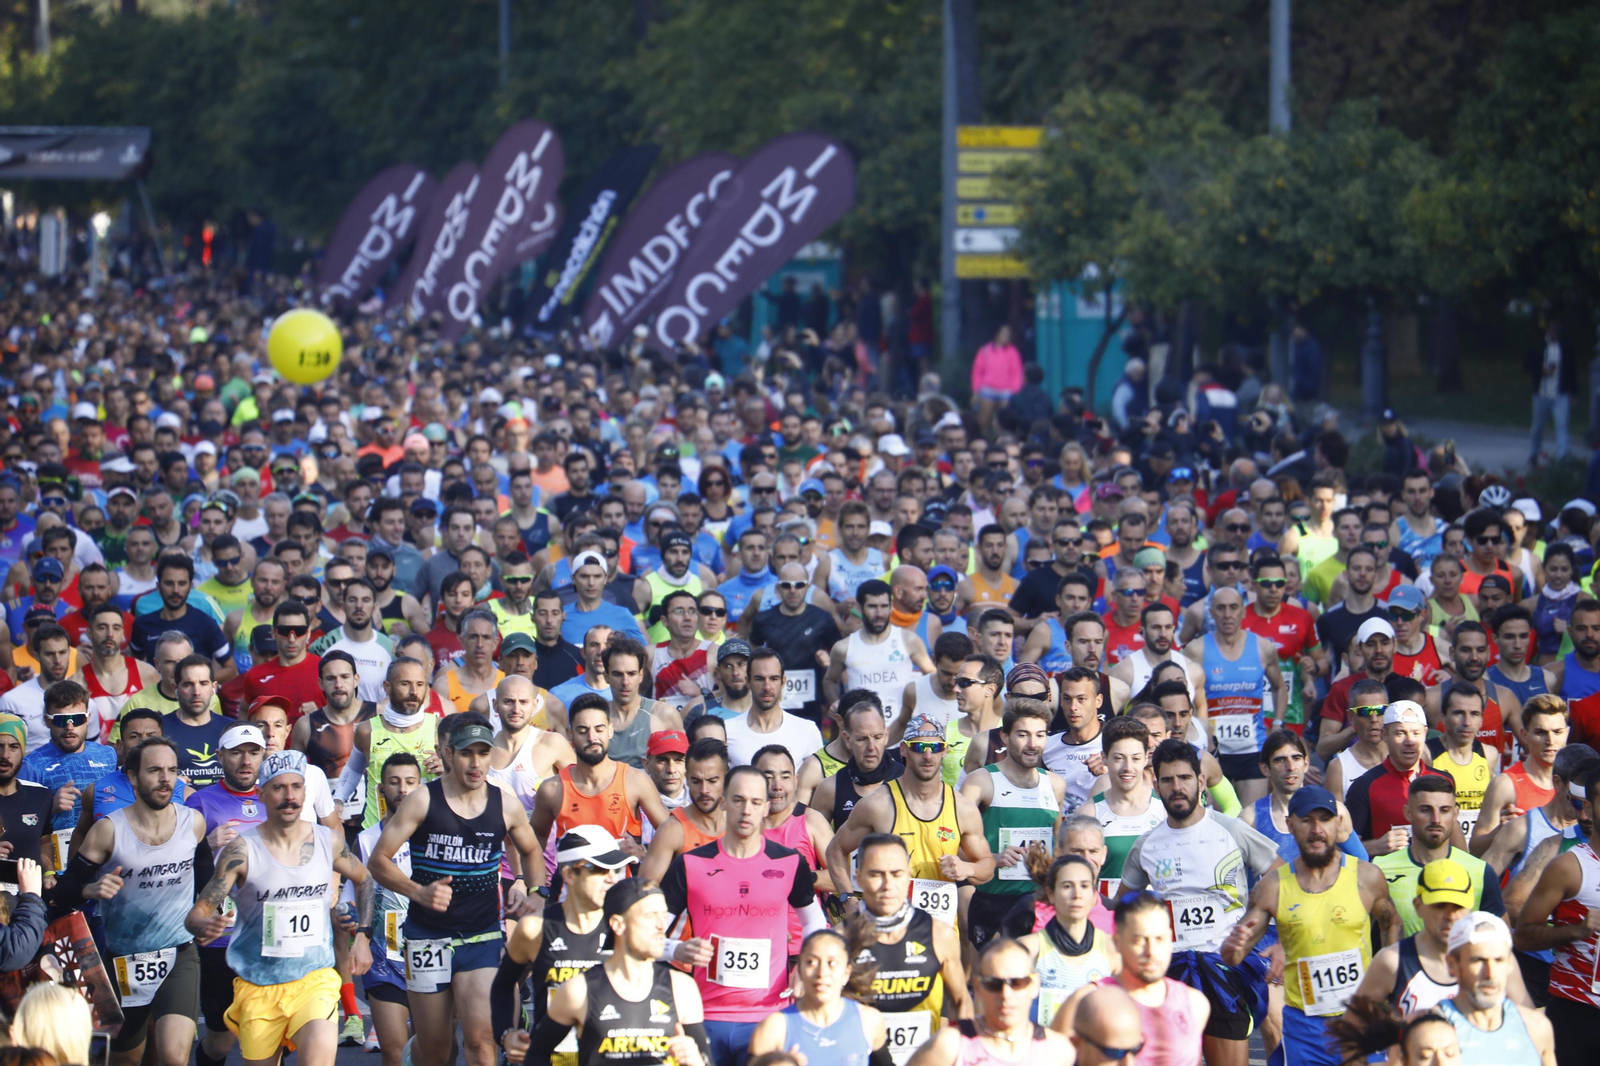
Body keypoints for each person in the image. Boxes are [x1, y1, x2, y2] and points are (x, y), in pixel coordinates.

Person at [367, 711, 546, 1066]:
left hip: (482, 937)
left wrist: (534, 890)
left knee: (482, 1042)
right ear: (449, 754)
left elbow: (530, 849)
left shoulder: (504, 803)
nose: (476, 763)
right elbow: (379, 860)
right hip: (427, 938)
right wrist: (418, 892)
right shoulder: (422, 800)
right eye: (467, 753)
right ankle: (414, 1053)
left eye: (483, 753)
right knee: (437, 1050)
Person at [185, 749, 374, 1066]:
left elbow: (364, 878)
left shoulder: (327, 841)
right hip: (258, 985)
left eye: (296, 787)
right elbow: (198, 912)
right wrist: (201, 925)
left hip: (314, 979)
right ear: (261, 794)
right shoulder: (241, 850)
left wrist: (364, 936)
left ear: (305, 791)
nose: (290, 797)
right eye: (279, 788)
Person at [1119, 739, 1281, 1066]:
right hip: (1170, 972)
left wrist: (1260, 926)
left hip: (1225, 969)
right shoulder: (1146, 845)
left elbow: (1282, 880)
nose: (1177, 787)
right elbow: (1122, 909)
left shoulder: (1231, 830)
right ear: (1156, 786)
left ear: (1201, 781)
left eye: (1185, 778)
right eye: (1168, 780)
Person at [659, 765, 827, 1066]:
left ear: (766, 808)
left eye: (755, 802)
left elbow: (814, 920)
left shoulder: (789, 862)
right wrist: (677, 949)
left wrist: (806, 964)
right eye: (738, 800)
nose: (746, 810)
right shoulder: (690, 864)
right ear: (723, 802)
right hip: (704, 1014)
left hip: (769, 1015)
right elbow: (647, 935)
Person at [1220, 784, 1397, 1066]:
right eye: (1306, 820)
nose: (1317, 830)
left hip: (1361, 1021)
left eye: (1325, 819)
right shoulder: (1272, 887)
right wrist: (1232, 947)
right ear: (1290, 825)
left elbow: (1391, 923)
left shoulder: (1367, 877)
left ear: (1338, 823)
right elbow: (1234, 955)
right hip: (1305, 1030)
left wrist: (1389, 984)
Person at [64, 733, 206, 1066]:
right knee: (125, 1060)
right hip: (123, 960)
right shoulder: (109, 830)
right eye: (155, 770)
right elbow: (64, 890)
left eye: (172, 770)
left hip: (179, 955)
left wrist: (205, 913)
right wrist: (90, 890)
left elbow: (207, 877)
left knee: (174, 1057)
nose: (166, 778)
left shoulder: (193, 823)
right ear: (132, 776)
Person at [826, 714, 996, 932]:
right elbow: (836, 849)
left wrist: (967, 868)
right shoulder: (879, 804)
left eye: (935, 747)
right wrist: (848, 899)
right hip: (889, 929)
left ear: (945, 751)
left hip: (940, 932)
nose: (928, 755)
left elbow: (987, 865)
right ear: (904, 750)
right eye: (919, 747)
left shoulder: (963, 808)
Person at [529, 877, 710, 1066]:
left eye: (663, 916)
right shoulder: (579, 990)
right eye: (650, 915)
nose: (661, 926)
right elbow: (536, 1056)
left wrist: (696, 1062)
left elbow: (706, 1061)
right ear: (617, 924)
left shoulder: (682, 988)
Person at [492, 825, 632, 1066]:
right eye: (600, 869)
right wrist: (506, 1035)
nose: (612, 878)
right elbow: (503, 986)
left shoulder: (627, 927)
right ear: (569, 875)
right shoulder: (535, 928)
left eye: (617, 869)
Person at [1050, 890, 1208, 1066]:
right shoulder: (1084, 1002)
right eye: (1139, 940)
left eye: (1160, 939)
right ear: (1117, 942)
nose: (1151, 951)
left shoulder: (1195, 1004)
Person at [961, 699, 1067, 950]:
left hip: (1039, 901)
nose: (1032, 744)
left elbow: (1058, 846)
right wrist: (991, 859)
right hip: (993, 901)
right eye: (1023, 734)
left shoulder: (1055, 785)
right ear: (1005, 737)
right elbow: (953, 843)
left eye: (1040, 735)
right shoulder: (980, 782)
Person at [851, 832, 967, 1060]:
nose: (887, 885)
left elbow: (962, 1002)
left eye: (896, 874)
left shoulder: (939, 935)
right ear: (859, 878)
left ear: (908, 876)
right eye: (876, 874)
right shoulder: (841, 940)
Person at [1514, 764, 1600, 1065]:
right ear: (1588, 808)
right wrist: (1576, 930)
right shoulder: (1569, 867)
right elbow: (1522, 936)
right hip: (1577, 1011)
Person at [531, 696, 670, 878]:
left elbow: (672, 833)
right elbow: (535, 840)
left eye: (599, 729)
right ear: (570, 734)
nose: (592, 738)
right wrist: (535, 886)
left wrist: (642, 851)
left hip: (621, 889)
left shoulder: (635, 781)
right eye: (583, 731)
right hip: (573, 890)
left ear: (610, 731)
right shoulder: (552, 789)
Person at [1182, 586, 1286, 806]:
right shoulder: (1196, 650)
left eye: (1233, 607)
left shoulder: (1263, 647)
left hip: (1253, 750)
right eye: (1221, 608)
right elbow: (1184, 697)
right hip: (1214, 751)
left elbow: (1279, 687)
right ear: (1211, 612)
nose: (1227, 614)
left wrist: (1277, 724)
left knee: (1250, 820)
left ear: (1243, 611)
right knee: (1218, 819)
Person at [904, 938, 1074, 1066]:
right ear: (977, 987)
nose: (1006, 994)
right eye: (994, 984)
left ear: (1034, 985)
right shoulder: (949, 1046)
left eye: (1017, 983)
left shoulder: (1058, 1051)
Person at [356, 751, 422, 1066]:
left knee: (434, 1050)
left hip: (429, 952)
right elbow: (352, 895)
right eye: (394, 782)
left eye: (410, 781)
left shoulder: (435, 835)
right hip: (384, 956)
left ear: (421, 787)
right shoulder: (366, 840)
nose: (402, 789)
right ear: (381, 789)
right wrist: (351, 920)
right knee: (394, 1052)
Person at [746, 922, 890, 1066]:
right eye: (811, 962)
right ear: (799, 970)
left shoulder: (868, 1021)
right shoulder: (774, 1028)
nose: (822, 973)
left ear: (846, 973)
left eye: (832, 963)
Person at [335, 658, 443, 831]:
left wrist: (447, 770)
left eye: (420, 684)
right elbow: (353, 770)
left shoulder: (440, 729)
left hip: (424, 832)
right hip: (376, 831)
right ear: (387, 687)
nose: (414, 692)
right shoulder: (367, 731)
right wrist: (338, 801)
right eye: (405, 684)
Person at [1438, 913, 1558, 1066]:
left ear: (1510, 964)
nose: (1490, 973)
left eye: (1498, 960)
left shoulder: (1536, 1027)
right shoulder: (1431, 1031)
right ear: (1452, 965)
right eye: (1478, 960)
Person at [1345, 700, 1459, 855]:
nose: (1410, 741)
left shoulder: (1443, 781)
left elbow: (1457, 843)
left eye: (1416, 733)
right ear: (1385, 735)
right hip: (1385, 870)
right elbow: (1344, 850)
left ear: (1425, 734)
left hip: (1437, 869)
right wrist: (1375, 846)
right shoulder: (1364, 786)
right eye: (1400, 733)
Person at [1016, 854, 1117, 1026]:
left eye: (1084, 886)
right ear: (1051, 894)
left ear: (1094, 896)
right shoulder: (1028, 949)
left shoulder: (1113, 949)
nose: (1077, 895)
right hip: (1042, 1040)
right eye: (1067, 886)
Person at [1472, 693, 1570, 856]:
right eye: (1540, 732)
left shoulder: (1578, 782)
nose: (1550, 740)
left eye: (1557, 732)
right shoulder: (1505, 785)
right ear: (1524, 735)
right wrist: (1499, 832)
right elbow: (1475, 850)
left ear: (1567, 733)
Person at [825, 579, 934, 723]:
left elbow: (932, 675)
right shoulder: (843, 648)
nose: (879, 613)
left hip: (902, 728)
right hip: (862, 730)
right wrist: (836, 703)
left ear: (891, 607)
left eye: (884, 606)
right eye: (872, 606)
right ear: (860, 608)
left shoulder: (909, 640)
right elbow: (830, 680)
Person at [1087, 715, 1164, 897]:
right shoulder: (1089, 813)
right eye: (1119, 758)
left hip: (1155, 911)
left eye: (1135, 758)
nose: (1128, 767)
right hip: (1107, 912)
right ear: (1104, 758)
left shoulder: (1163, 810)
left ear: (1146, 758)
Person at [638, 737, 727, 882]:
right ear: (687, 779)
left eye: (712, 781)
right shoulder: (671, 831)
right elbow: (646, 890)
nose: (704, 790)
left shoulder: (741, 822)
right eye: (696, 781)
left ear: (726, 779)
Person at [810, 693, 903, 829]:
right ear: (847, 739)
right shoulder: (830, 788)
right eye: (862, 739)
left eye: (877, 737)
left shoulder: (905, 780)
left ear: (886, 735)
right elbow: (814, 838)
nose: (871, 747)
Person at [71, 602, 159, 742]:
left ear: (123, 633)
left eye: (116, 628)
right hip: (97, 755)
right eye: (102, 627)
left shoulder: (147, 674)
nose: (110, 634)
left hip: (141, 754)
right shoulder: (77, 684)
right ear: (89, 633)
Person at [161, 654, 232, 788]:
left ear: (214, 687)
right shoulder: (160, 729)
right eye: (188, 684)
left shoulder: (230, 729)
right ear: (175, 689)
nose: (196, 692)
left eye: (203, 683)